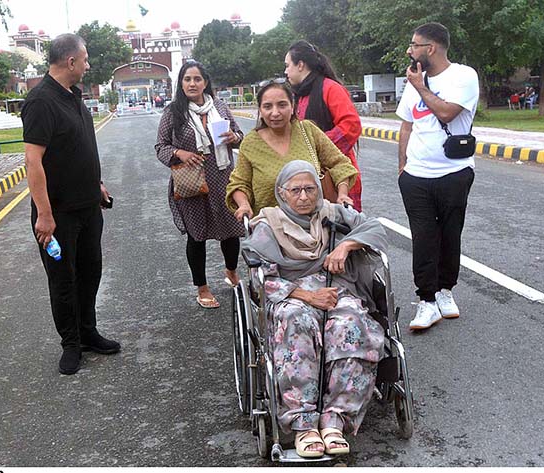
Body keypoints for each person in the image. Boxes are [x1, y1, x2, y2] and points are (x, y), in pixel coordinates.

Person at [243, 160, 387, 458]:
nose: (304, 196)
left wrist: (346, 245)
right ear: (282, 193)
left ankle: (336, 420)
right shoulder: (268, 224)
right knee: (295, 321)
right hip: (290, 294)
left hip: (337, 287)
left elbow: (374, 227)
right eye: (295, 190)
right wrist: (308, 297)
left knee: (351, 323)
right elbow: (261, 280)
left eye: (310, 189)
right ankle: (304, 424)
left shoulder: (333, 213)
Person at [21, 33, 119, 375]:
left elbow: (80, 148)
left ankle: (88, 333)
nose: (88, 65)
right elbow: (33, 162)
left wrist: (97, 184)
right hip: (57, 215)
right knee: (64, 280)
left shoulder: (73, 97)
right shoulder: (40, 102)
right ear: (71, 62)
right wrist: (45, 216)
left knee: (91, 272)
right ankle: (71, 344)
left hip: (88, 208)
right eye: (86, 59)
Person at [396, 22, 479, 331]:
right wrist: (402, 168)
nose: (409, 50)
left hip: (454, 173)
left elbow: (446, 112)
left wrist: (420, 86)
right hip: (416, 177)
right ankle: (427, 301)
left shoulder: (463, 76)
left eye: (414, 45)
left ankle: (445, 291)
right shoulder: (416, 81)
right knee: (423, 237)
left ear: (430, 48)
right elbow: (407, 124)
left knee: (449, 233)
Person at [155, 61, 245, 309]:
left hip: (223, 178)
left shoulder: (220, 107)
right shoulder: (173, 112)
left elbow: (240, 138)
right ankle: (202, 288)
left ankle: (231, 272)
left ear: (205, 82)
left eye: (197, 79)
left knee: (230, 229)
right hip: (191, 183)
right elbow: (160, 147)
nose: (192, 84)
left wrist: (234, 138)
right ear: (181, 84)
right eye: (187, 79)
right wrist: (180, 153)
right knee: (197, 236)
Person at [226, 79, 358, 221]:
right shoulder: (251, 143)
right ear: (260, 110)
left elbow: (340, 164)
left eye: (282, 105)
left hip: (315, 226)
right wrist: (244, 204)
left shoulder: (308, 131)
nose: (275, 113)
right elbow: (239, 183)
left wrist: (342, 194)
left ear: (292, 106)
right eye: (267, 106)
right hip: (271, 228)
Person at [284, 40, 364, 211]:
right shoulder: (299, 95)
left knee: (342, 232)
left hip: (337, 177)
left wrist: (317, 147)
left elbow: (351, 125)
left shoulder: (330, 88)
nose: (286, 71)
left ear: (300, 65)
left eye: (287, 65)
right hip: (308, 178)